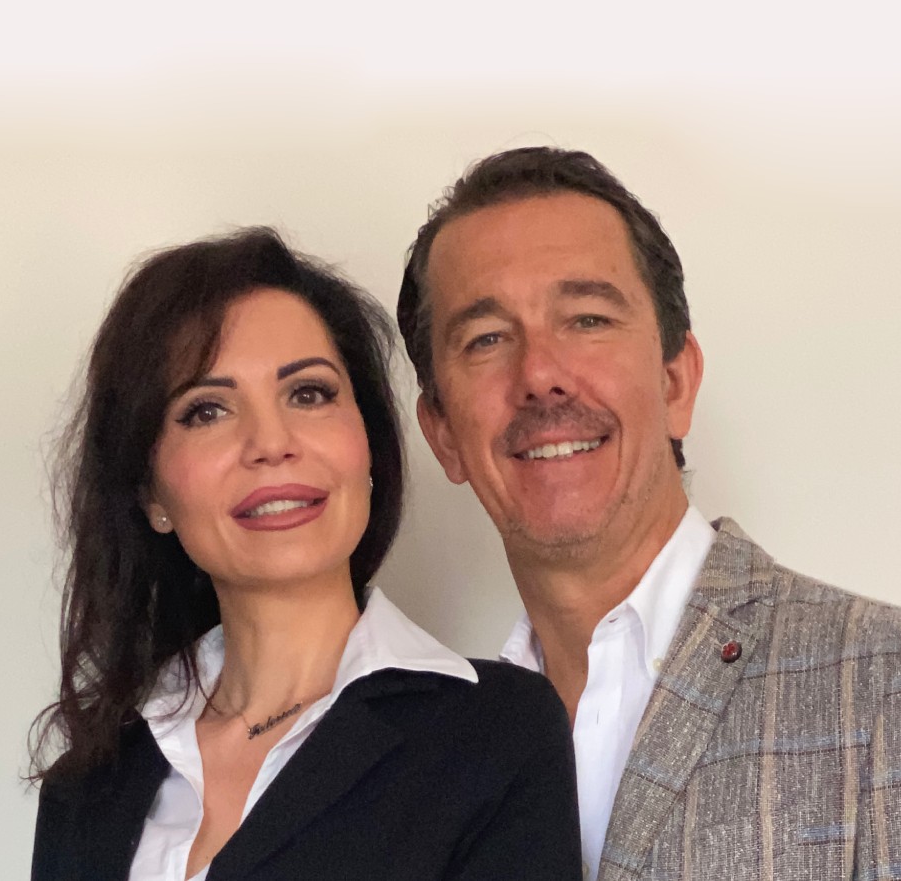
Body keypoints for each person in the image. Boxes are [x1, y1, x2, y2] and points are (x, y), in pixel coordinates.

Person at [397, 147, 901, 881]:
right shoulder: (434, 751)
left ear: (676, 382)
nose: (540, 373)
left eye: (586, 319)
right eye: (486, 339)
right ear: (442, 434)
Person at [30, 228, 579, 881]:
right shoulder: (87, 785)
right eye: (206, 411)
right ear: (151, 494)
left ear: (367, 445)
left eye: (309, 394)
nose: (271, 442)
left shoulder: (494, 734)